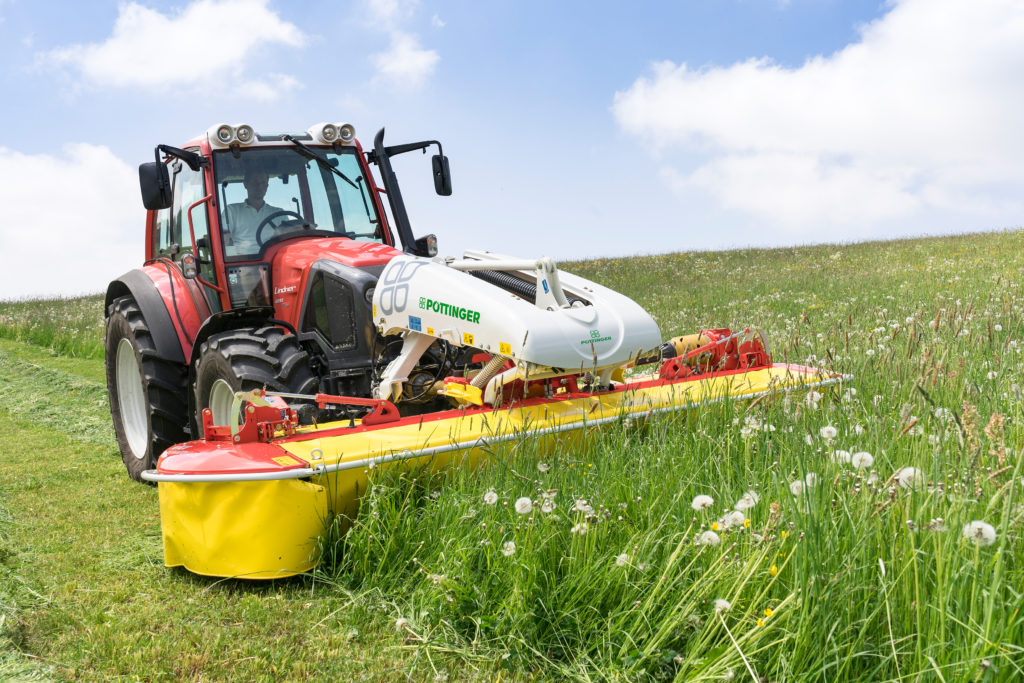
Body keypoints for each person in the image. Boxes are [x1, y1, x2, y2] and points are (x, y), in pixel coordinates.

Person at [222, 167, 286, 254]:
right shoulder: (231, 211)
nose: (259, 186)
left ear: (267, 186)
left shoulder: (279, 214)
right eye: (255, 182)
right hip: (243, 263)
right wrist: (235, 263)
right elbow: (224, 240)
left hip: (272, 260)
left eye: (263, 183)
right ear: (245, 184)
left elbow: (287, 241)